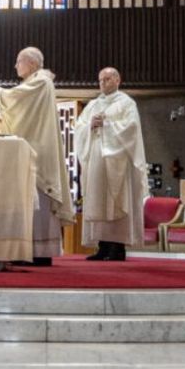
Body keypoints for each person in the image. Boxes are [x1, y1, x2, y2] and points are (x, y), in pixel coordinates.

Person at [0, 47, 74, 265]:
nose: (15, 66)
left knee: (39, 202)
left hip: (38, 152)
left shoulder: (41, 82)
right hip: (32, 148)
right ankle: (30, 251)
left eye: (18, 61)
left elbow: (14, 101)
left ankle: (39, 253)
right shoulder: (35, 82)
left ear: (31, 63)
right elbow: (14, 103)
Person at [72, 67, 148, 261]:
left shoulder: (126, 103)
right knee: (98, 201)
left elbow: (131, 129)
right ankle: (102, 246)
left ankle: (117, 247)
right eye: (100, 80)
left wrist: (107, 125)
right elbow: (79, 127)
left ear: (117, 80)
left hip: (117, 162)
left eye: (107, 79)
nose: (103, 83)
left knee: (116, 202)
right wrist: (90, 125)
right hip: (97, 159)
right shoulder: (93, 105)